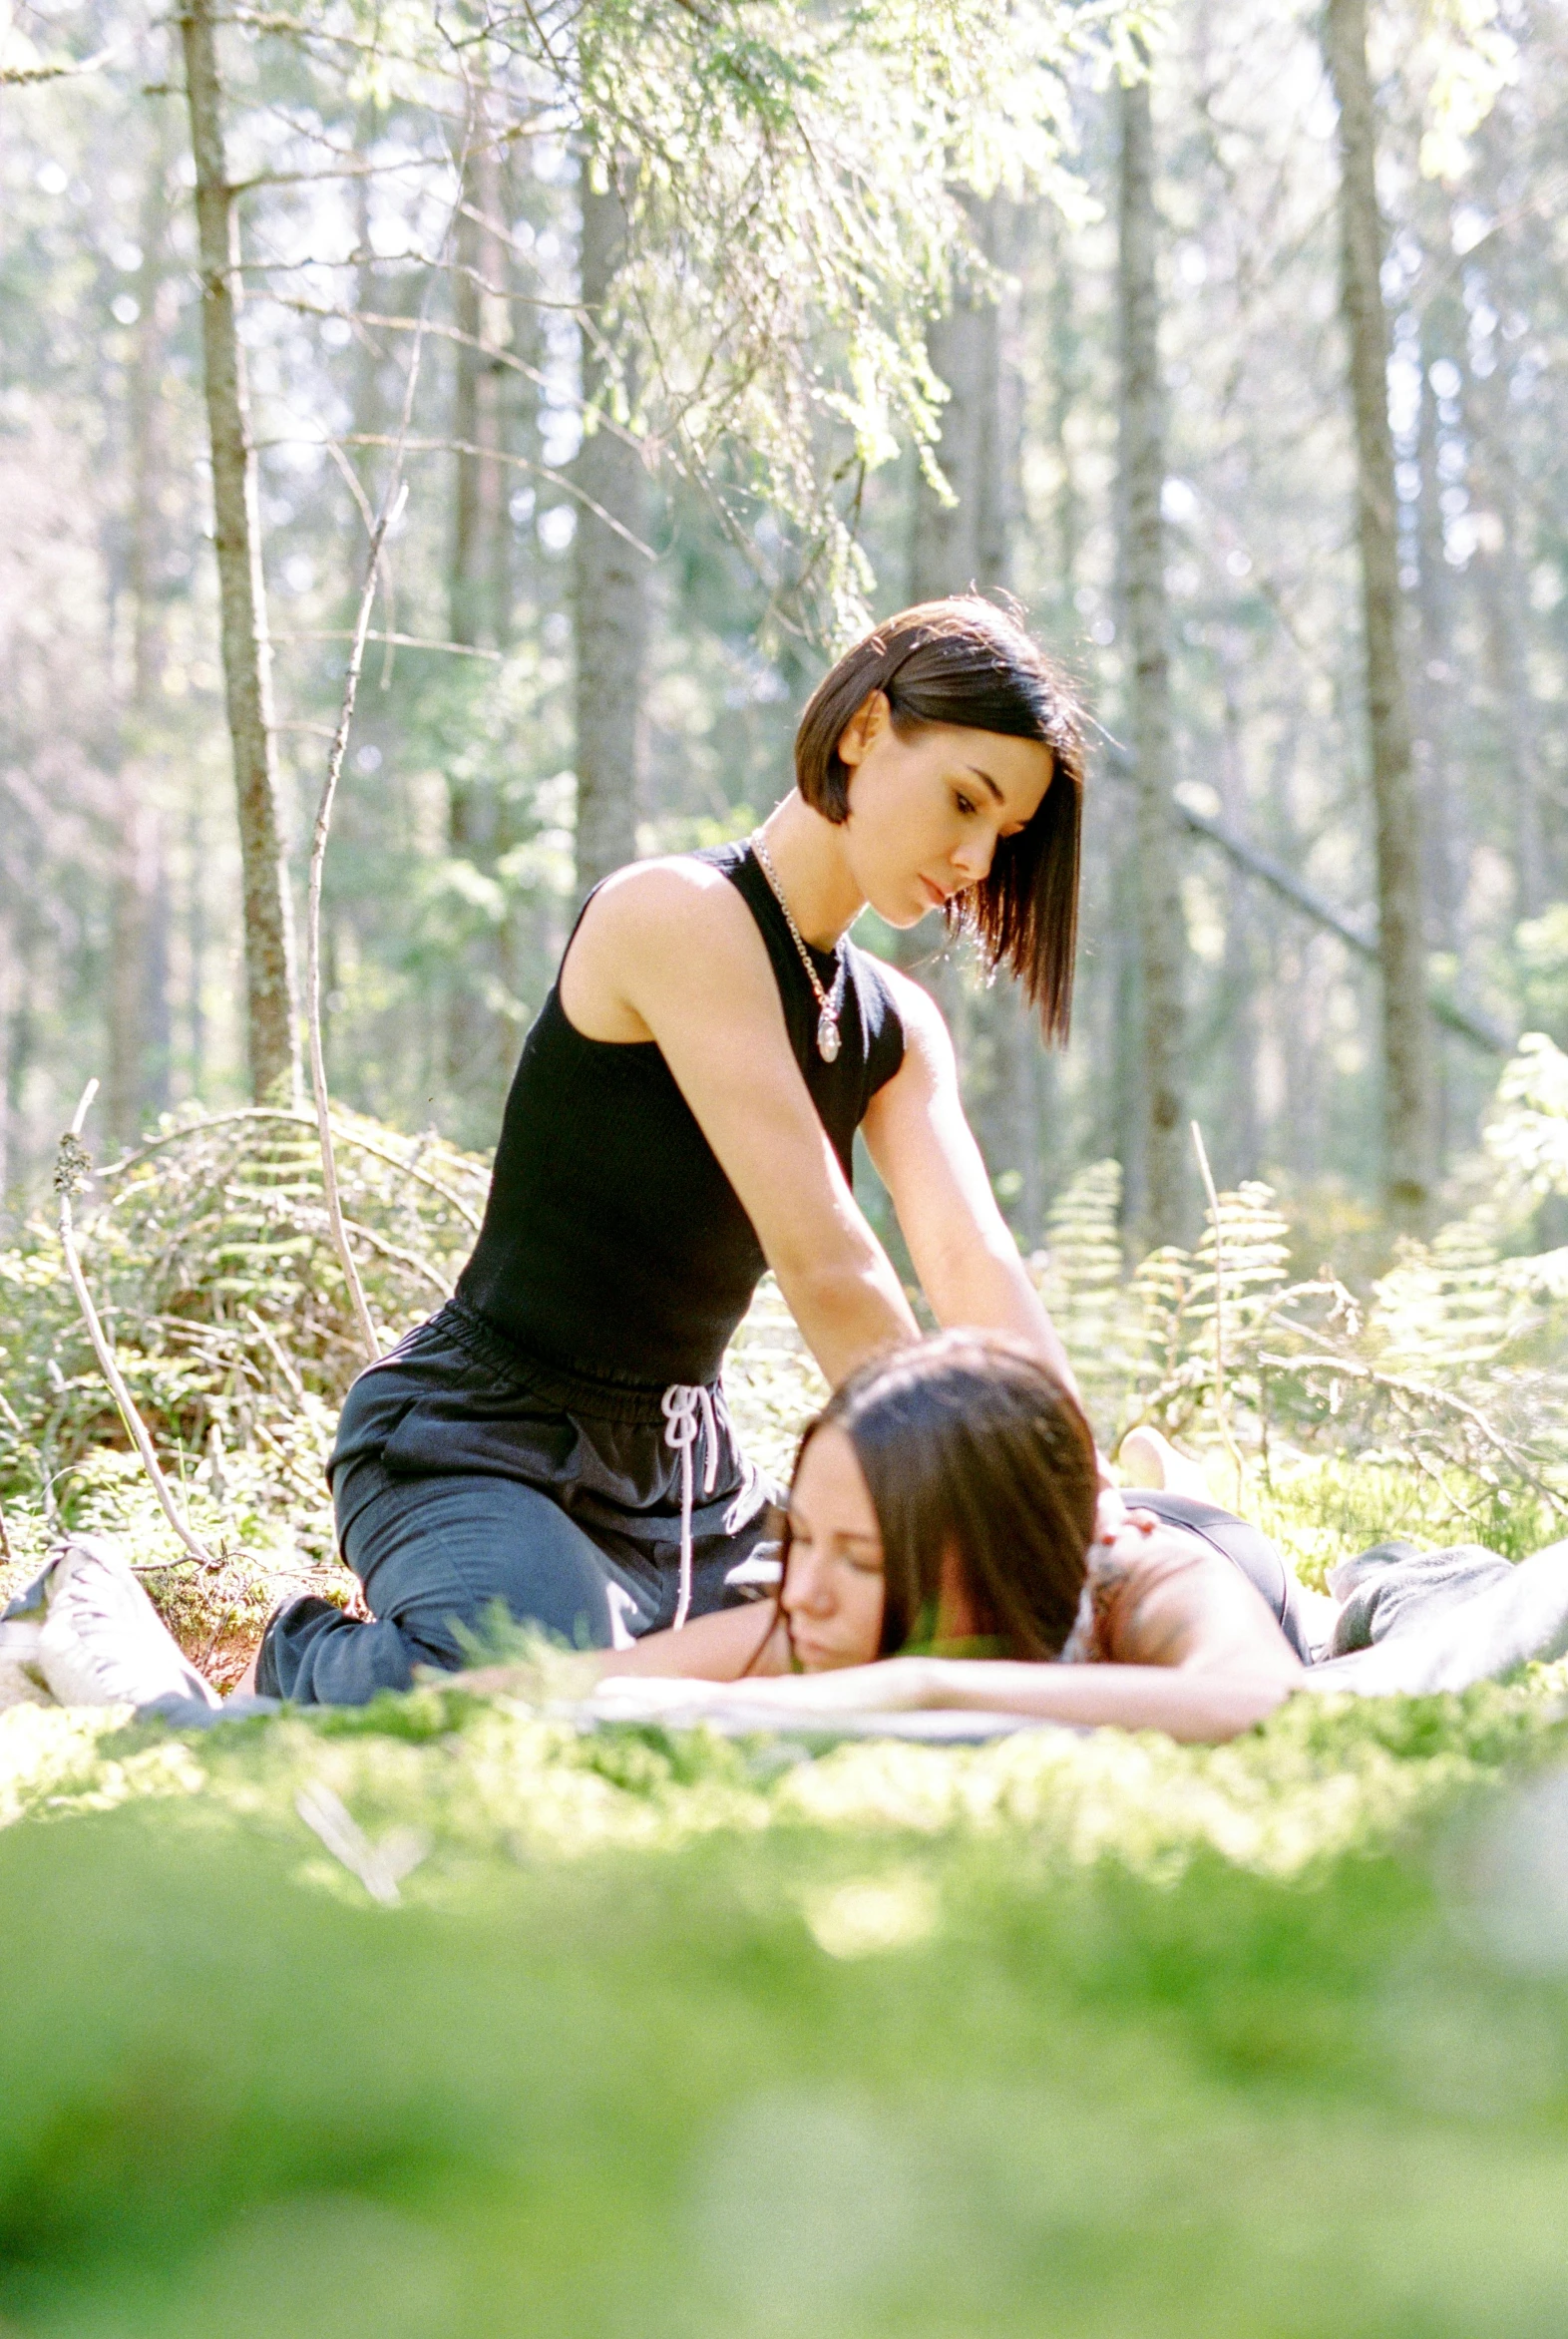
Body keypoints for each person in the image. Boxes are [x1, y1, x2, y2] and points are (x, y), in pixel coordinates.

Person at [249, 598, 1094, 1704]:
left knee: (879, 1637)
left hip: (693, 1487)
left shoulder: (897, 1025)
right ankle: (301, 1655)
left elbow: (974, 1263)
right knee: (534, 1696)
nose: (978, 859)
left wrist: (1071, 1493)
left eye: (1006, 835)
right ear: (865, 729)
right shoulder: (677, 915)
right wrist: (971, 1508)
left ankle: (629, 1642)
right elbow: (831, 1265)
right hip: (479, 1446)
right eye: (965, 800)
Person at [464, 1332, 1309, 1745]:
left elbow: (1269, 1704)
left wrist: (922, 1686)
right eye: (801, 1541)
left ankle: (1175, 1473)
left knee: (1243, 1539)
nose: (801, 1593)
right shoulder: (823, 1607)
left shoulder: (1138, 1585)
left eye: (860, 1557)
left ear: (986, 1557)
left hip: (1203, 1540)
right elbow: (574, 1685)